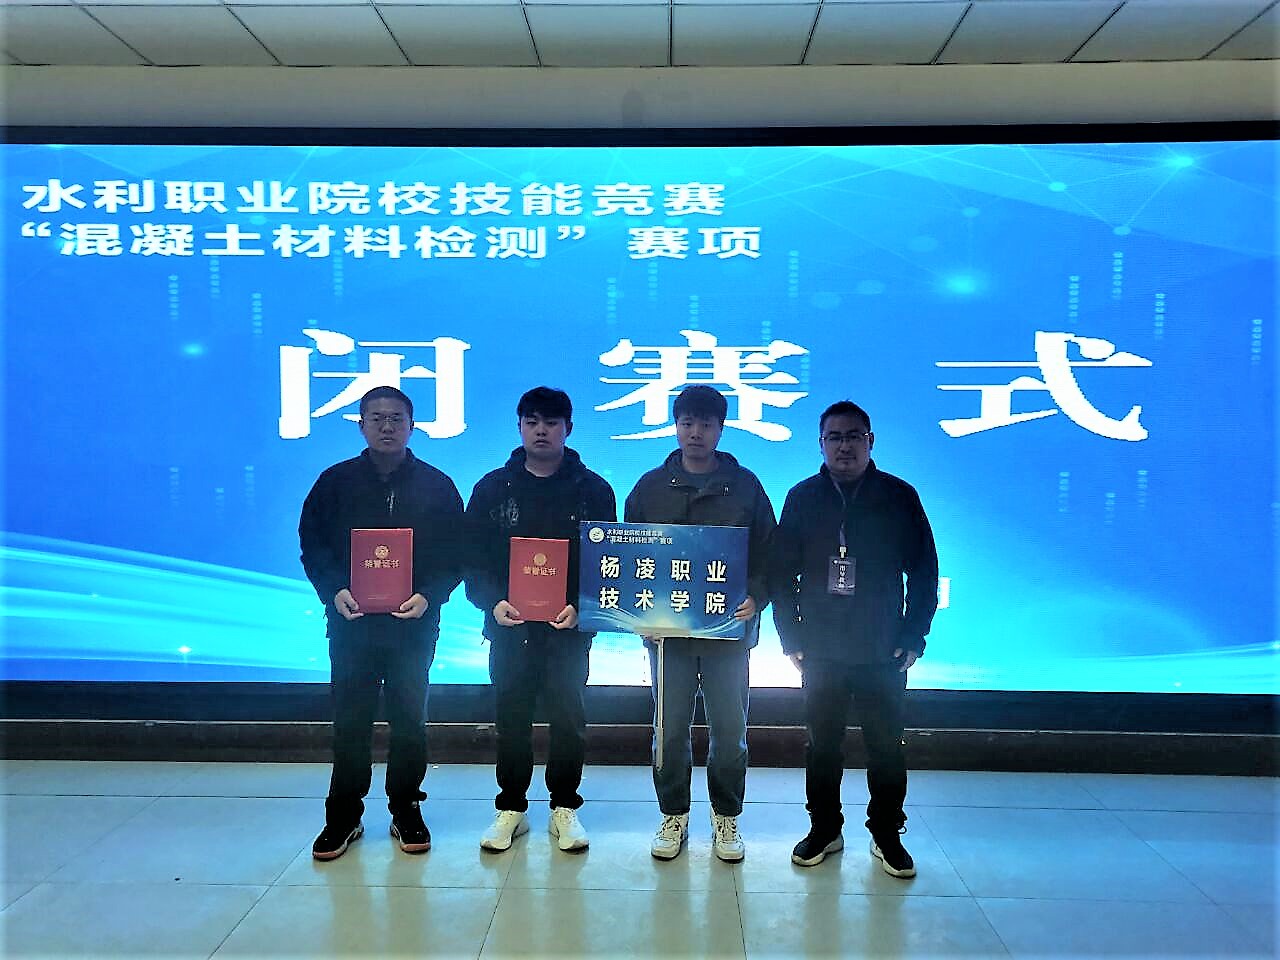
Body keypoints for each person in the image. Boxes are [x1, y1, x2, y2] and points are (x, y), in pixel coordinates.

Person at [769, 400, 938, 877]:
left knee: (887, 746)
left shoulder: (899, 496)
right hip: (821, 648)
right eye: (834, 437)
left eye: (853, 436)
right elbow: (781, 574)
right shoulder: (802, 497)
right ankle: (825, 828)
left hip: (883, 648)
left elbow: (925, 569)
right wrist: (790, 636)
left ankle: (887, 833)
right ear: (820, 444)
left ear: (870, 441)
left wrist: (915, 634)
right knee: (822, 746)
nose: (844, 446)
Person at [299, 385, 464, 861]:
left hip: (413, 624)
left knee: (410, 720)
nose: (387, 426)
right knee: (350, 720)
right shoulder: (334, 482)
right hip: (351, 622)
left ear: (412, 427)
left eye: (396, 419)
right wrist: (334, 590)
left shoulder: (437, 485)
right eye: (377, 418)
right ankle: (343, 816)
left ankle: (406, 807)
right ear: (361, 426)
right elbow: (313, 544)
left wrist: (429, 595)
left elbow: (457, 552)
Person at [623, 384, 776, 862]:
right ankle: (674, 814)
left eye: (706, 424)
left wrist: (757, 595)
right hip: (668, 636)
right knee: (669, 730)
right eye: (687, 422)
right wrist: (637, 614)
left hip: (728, 633)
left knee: (729, 731)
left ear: (720, 429)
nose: (695, 432)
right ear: (675, 425)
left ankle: (726, 816)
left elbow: (770, 554)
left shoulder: (746, 487)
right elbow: (627, 558)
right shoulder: (650, 487)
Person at [464, 387, 617, 853]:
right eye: (532, 422)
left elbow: (607, 561)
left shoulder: (594, 490)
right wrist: (491, 602)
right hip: (510, 626)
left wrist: (583, 606)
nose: (541, 431)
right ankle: (511, 806)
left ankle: (564, 806)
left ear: (568, 429)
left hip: (567, 628)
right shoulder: (493, 488)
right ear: (519, 427)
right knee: (511, 715)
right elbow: (472, 558)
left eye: (551, 422)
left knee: (569, 717)